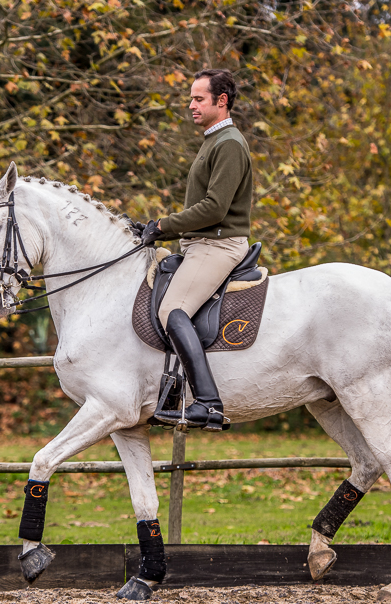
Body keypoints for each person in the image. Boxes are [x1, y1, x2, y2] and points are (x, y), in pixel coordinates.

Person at [140, 69, 254, 430]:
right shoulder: (213, 140)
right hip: (200, 243)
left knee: (172, 309)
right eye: (191, 98)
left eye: (198, 99)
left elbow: (215, 208)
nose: (191, 105)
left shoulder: (229, 144)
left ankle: (208, 402)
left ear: (221, 101)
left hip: (219, 245)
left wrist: (164, 226)